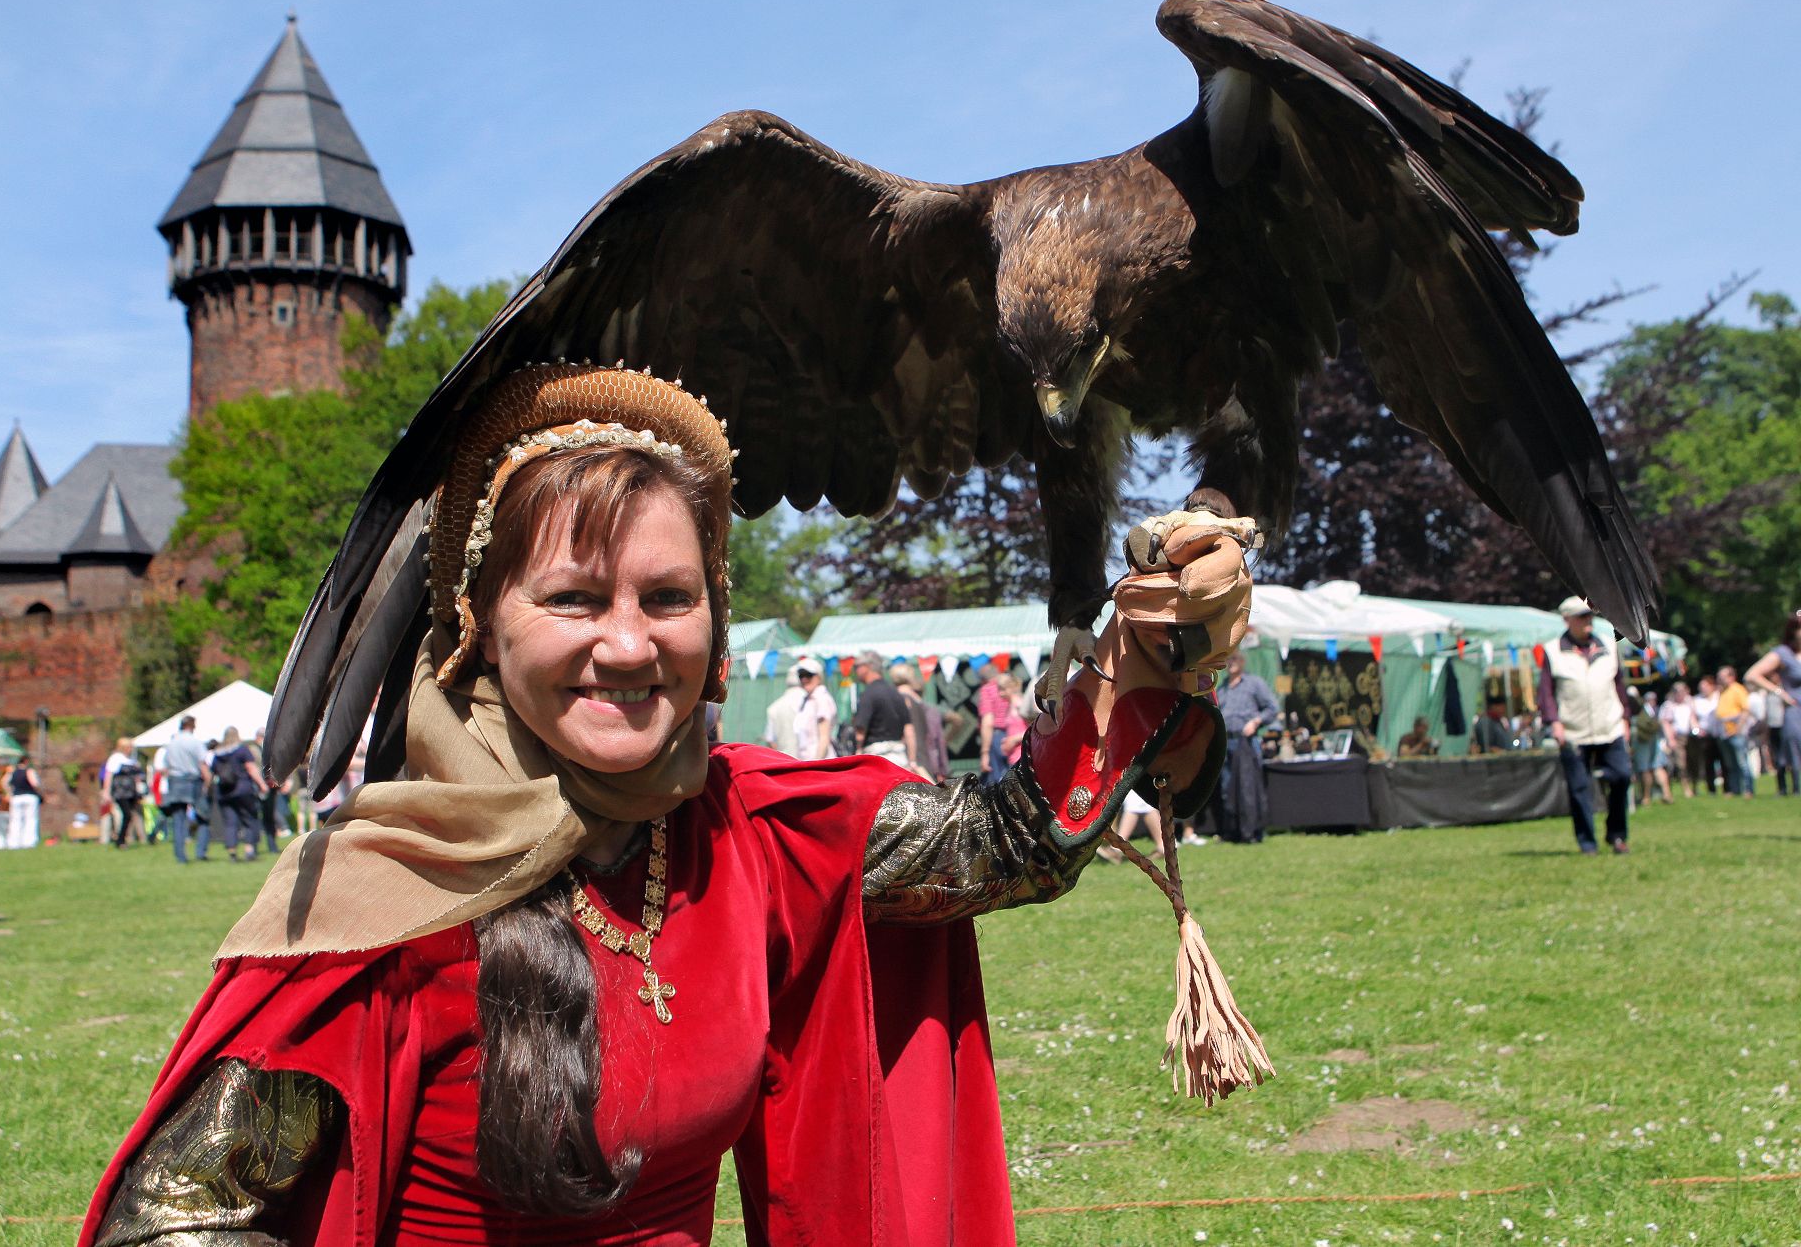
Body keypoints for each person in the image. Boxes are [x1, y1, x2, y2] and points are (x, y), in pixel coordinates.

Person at [80, 364, 1232, 1245]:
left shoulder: (751, 832)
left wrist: (1136, 655)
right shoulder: (375, 896)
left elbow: (1004, 845)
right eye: (575, 597)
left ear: (715, 626)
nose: (628, 643)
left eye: (668, 596)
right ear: (483, 621)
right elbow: (181, 1213)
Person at [1537, 596, 1633, 854]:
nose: (1587, 621)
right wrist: (1553, 722)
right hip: (1573, 730)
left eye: (1589, 616)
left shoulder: (1609, 647)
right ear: (1567, 619)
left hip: (1609, 725)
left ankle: (1617, 834)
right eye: (1581, 616)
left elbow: (1619, 685)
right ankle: (1587, 843)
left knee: (1622, 776)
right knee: (1579, 787)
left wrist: (1625, 719)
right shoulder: (1553, 651)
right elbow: (1546, 692)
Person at [1213, 651, 1277, 843]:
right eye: (1227, 660)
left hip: (1246, 742)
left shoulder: (1253, 683)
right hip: (1226, 741)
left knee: (1249, 787)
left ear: (1242, 661)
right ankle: (1232, 831)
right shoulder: (1222, 688)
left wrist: (1256, 722)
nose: (1230, 663)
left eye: (1233, 659)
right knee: (1227, 787)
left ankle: (1254, 831)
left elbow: (1272, 708)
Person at [1745, 613, 1801, 797]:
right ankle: (1793, 789)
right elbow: (1752, 675)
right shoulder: (1783, 653)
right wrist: (1779, 692)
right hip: (1795, 709)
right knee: (1794, 749)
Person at [851, 651, 916, 771]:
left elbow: (860, 733)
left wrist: (858, 752)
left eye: (857, 666)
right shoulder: (896, 693)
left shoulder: (868, 694)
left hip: (876, 759)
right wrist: (912, 761)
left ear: (867, 667)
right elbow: (909, 730)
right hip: (899, 758)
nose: (855, 671)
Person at [160, 715, 212, 863]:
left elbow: (165, 768)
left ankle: (180, 856)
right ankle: (201, 852)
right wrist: (208, 781)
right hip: (193, 781)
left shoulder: (171, 743)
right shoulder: (195, 742)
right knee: (203, 817)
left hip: (176, 781)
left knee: (178, 819)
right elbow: (203, 764)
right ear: (192, 726)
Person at [210, 727, 266, 862]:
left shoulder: (217, 754)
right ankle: (249, 850)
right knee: (249, 819)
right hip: (243, 789)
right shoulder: (242, 750)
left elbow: (214, 771)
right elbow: (251, 768)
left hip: (224, 791)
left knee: (230, 823)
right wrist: (262, 785)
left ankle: (232, 853)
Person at [890, 662, 949, 782]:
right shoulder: (918, 700)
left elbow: (908, 730)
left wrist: (911, 760)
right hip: (924, 754)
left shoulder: (901, 698)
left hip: (910, 756)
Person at [1713, 665, 1754, 797]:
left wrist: (1737, 729)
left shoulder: (1737, 689)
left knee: (1742, 763)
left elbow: (1745, 710)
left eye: (1722, 676)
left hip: (1736, 733)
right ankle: (1735, 790)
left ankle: (1748, 790)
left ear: (1731, 677)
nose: (1719, 679)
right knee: (1730, 765)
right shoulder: (1722, 691)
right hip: (1724, 733)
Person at [787, 656, 837, 760]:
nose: (804, 679)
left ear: (818, 677)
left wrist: (816, 764)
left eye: (808, 675)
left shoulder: (822, 699)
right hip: (806, 761)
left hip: (820, 762)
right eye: (801, 675)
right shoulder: (806, 700)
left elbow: (824, 738)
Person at [1630, 689, 1673, 806]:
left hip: (1641, 741)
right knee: (1657, 767)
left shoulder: (1631, 705)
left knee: (1645, 769)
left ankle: (1646, 797)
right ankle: (1666, 793)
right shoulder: (1647, 707)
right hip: (1654, 739)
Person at [101, 738, 146, 849]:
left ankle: (130, 838)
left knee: (132, 815)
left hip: (131, 792)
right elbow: (108, 775)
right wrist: (106, 791)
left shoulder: (130, 759)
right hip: (120, 792)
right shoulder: (115, 758)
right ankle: (120, 840)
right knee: (126, 814)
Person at [1659, 680, 1697, 798]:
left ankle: (1693, 787)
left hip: (1689, 736)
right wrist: (1670, 739)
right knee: (1680, 764)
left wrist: (1696, 729)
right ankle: (1682, 788)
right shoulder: (1669, 706)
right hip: (1676, 738)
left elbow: (1692, 718)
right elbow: (1665, 723)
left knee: (1692, 762)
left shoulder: (1688, 703)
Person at [0, 754, 43, 849]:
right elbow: (35, 783)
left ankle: (13, 843)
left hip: (16, 797)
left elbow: (4, 782)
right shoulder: (29, 770)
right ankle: (29, 841)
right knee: (30, 819)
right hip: (29, 796)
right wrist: (40, 791)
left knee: (15, 820)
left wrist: (9, 792)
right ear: (26, 761)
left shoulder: (12, 771)